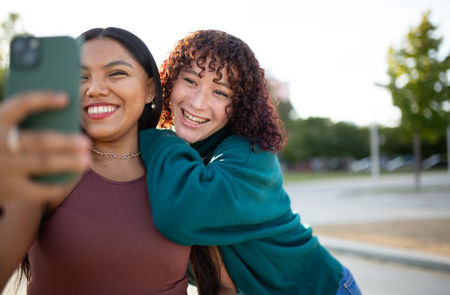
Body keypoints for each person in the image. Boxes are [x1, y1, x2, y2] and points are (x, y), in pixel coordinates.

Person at [0, 27, 235, 295]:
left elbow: (220, 286)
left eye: (116, 73)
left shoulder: (180, 170)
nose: (95, 89)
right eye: (79, 77)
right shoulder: (46, 170)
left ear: (149, 89)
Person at [139, 30, 362, 294]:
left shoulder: (251, 153)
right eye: (190, 80)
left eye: (220, 93)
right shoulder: (185, 157)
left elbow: (180, 216)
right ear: (170, 81)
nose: (198, 102)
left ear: (239, 105)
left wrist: (149, 135)